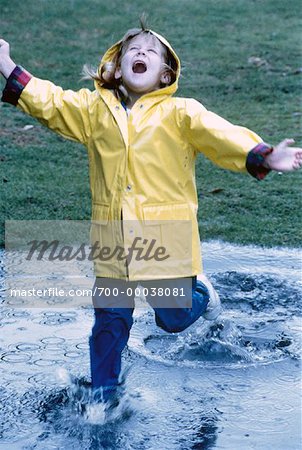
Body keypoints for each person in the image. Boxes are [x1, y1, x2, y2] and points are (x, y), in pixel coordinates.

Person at [0, 23, 301, 403]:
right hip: (111, 238)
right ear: (115, 65)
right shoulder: (95, 111)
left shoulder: (181, 113)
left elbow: (221, 134)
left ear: (165, 73)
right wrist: (8, 66)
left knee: (172, 319)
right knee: (110, 319)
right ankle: (104, 395)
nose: (140, 53)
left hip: (165, 238)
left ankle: (202, 296)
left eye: (150, 51)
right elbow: (53, 103)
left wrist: (263, 154)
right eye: (132, 50)